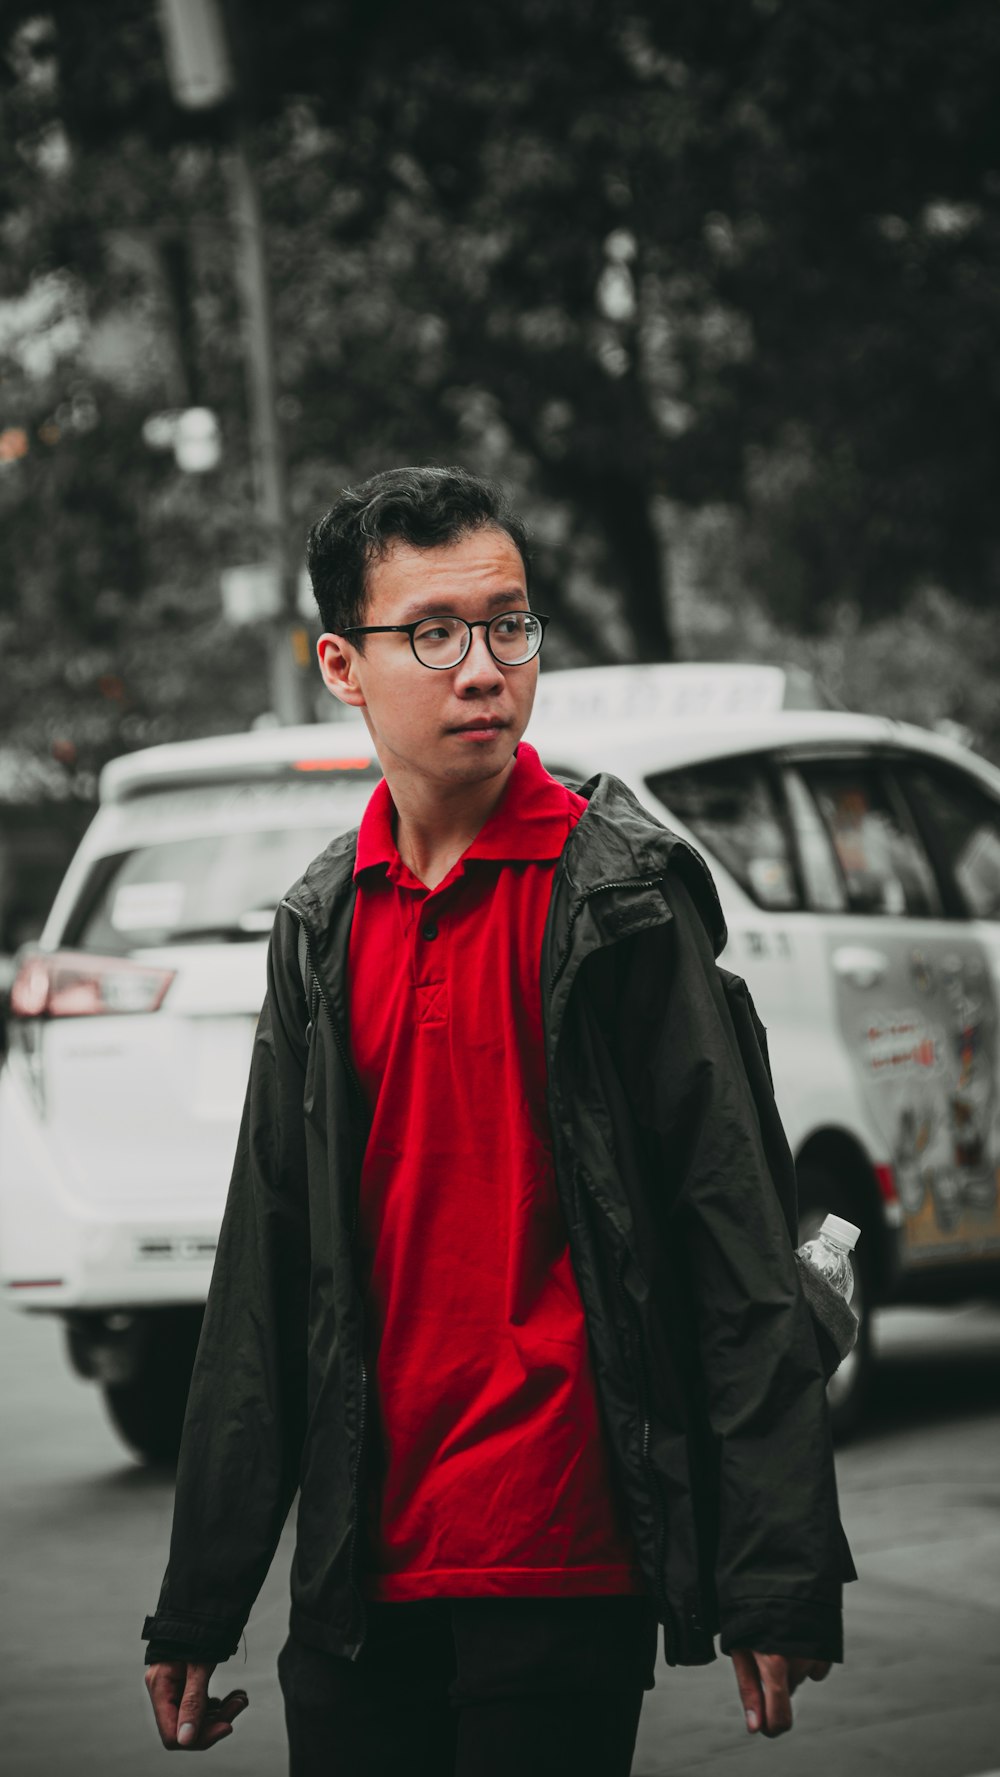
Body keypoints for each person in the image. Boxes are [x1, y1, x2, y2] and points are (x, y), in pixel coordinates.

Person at [142, 465, 855, 1775]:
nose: (484, 666)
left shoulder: (624, 901)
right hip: (358, 1573)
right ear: (342, 666)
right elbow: (264, 1274)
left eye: (509, 623)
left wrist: (778, 1571)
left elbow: (735, 1242)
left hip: (561, 1555)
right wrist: (201, 1595)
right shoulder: (323, 924)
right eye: (434, 632)